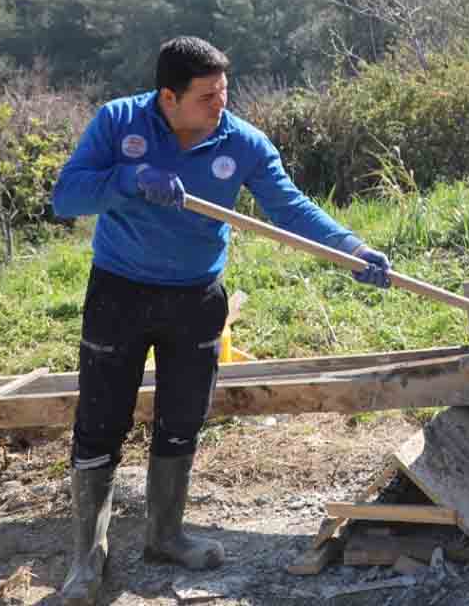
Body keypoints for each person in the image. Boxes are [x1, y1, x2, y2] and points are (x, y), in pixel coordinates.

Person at [50, 36, 393, 605]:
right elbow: (67, 196)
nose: (219, 105)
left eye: (223, 92)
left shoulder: (242, 141)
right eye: (207, 96)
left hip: (195, 296)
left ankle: (165, 535)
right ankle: (87, 560)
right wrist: (130, 182)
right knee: (100, 421)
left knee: (183, 417)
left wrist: (349, 248)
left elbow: (290, 207)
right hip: (120, 293)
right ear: (168, 96)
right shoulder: (117, 122)